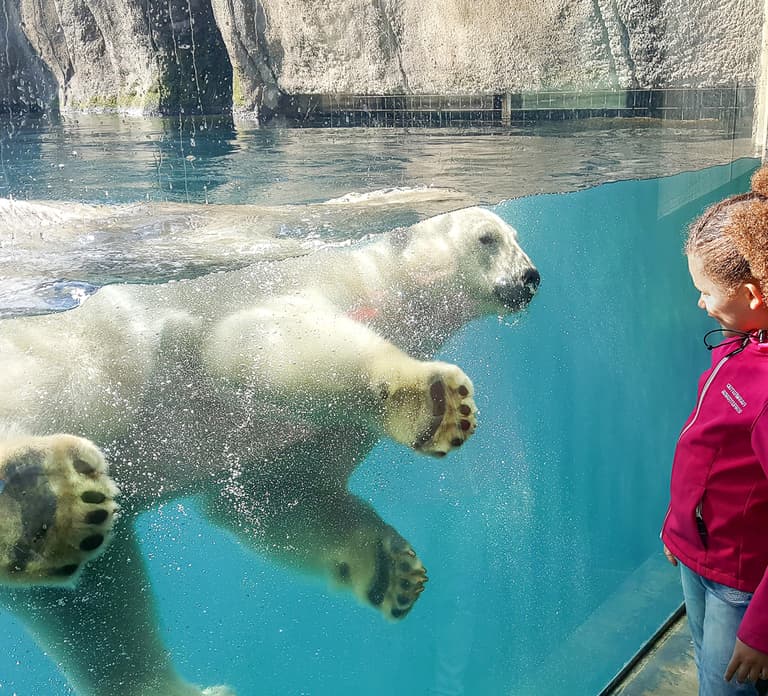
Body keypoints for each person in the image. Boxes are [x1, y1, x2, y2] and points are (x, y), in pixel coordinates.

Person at [661, 165, 768, 696]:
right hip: (699, 552)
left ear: (751, 295)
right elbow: (703, 447)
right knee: (706, 663)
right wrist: (677, 524)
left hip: (741, 583)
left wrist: (762, 630)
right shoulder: (740, 341)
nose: (700, 302)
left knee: (727, 686)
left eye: (705, 290)